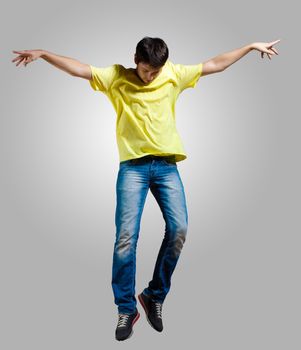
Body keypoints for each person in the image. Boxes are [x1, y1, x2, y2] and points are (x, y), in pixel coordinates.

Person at [12, 36, 280, 341]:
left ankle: (154, 295)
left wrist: (250, 47)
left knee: (179, 230)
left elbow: (214, 65)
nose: (151, 75)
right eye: (146, 69)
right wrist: (44, 53)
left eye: (155, 71)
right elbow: (79, 70)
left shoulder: (173, 74)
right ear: (135, 59)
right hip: (133, 169)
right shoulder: (116, 77)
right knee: (126, 238)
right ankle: (126, 307)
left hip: (167, 167)